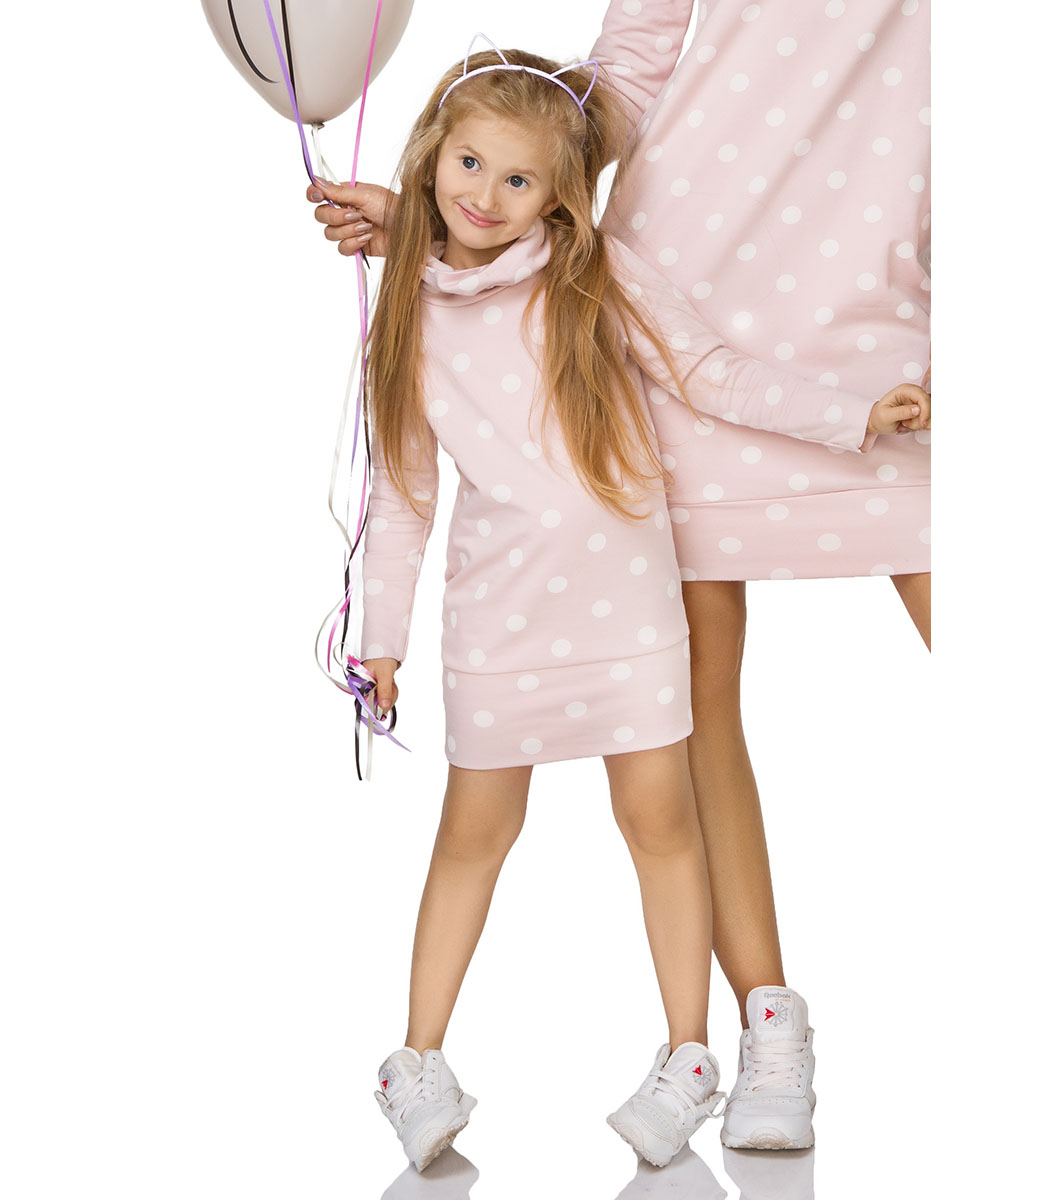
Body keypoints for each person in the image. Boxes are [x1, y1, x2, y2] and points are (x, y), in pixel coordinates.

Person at [308, 39, 928, 1171]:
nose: (485, 195)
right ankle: (417, 1061)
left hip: (631, 613)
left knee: (660, 823)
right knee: (473, 834)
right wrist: (379, 641)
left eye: (518, 179)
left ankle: (689, 1058)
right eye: (469, 162)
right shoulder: (408, 314)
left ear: (560, 196)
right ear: (430, 155)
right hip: (498, 622)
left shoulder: (595, 277)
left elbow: (711, 371)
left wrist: (848, 415)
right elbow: (401, 497)